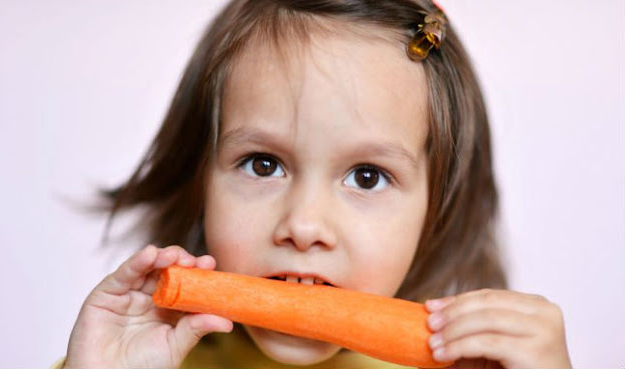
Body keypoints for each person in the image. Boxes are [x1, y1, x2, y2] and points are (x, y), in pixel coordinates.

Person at [56, 0, 573, 368]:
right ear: (198, 182)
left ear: (436, 210)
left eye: (366, 176)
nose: (303, 225)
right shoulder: (141, 357)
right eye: (262, 165)